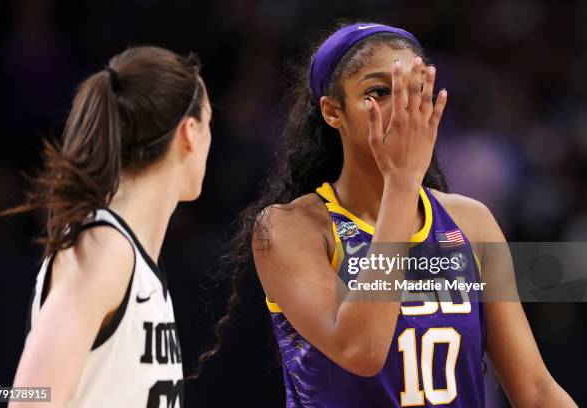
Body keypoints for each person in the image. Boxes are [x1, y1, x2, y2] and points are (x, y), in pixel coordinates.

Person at [200, 23, 576, 407]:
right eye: (379, 92)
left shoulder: (471, 221)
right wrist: (400, 184)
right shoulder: (291, 227)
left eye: (416, 91)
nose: (402, 108)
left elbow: (535, 390)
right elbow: (360, 351)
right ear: (333, 111)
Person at [8, 46, 212, 407]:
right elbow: (30, 399)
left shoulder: (133, 260)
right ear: (190, 132)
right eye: (210, 123)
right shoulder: (106, 250)